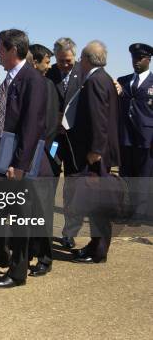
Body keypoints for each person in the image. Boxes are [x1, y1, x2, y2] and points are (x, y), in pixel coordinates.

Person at [0, 29, 50, 288]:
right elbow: (3, 118)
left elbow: (31, 126)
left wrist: (19, 165)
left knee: (18, 216)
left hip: (15, 160)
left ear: (12, 50)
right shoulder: (9, 79)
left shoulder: (33, 80)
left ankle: (18, 272)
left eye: (0, 48)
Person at [66, 41, 120, 263]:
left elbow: (99, 120)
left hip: (96, 155)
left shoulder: (96, 81)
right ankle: (94, 244)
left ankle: (98, 251)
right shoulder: (104, 78)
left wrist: (96, 150)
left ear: (86, 60)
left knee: (97, 203)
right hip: (98, 152)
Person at [46, 37, 86, 249]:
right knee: (49, 182)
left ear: (75, 57)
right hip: (53, 140)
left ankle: (69, 232)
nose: (64, 65)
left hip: (74, 142)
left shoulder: (85, 73)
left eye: (68, 61)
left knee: (74, 187)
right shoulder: (49, 73)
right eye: (61, 60)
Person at [27, 44, 60, 277]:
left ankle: (45, 258)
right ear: (34, 61)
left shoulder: (47, 86)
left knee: (42, 211)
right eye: (46, 62)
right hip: (25, 158)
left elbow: (49, 127)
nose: (49, 67)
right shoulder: (26, 83)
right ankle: (26, 251)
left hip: (40, 157)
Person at [116, 43, 153, 224]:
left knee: (144, 176)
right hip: (125, 137)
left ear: (149, 60)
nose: (136, 62)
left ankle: (141, 212)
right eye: (134, 58)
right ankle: (128, 209)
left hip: (147, 138)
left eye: (140, 59)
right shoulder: (122, 81)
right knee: (127, 175)